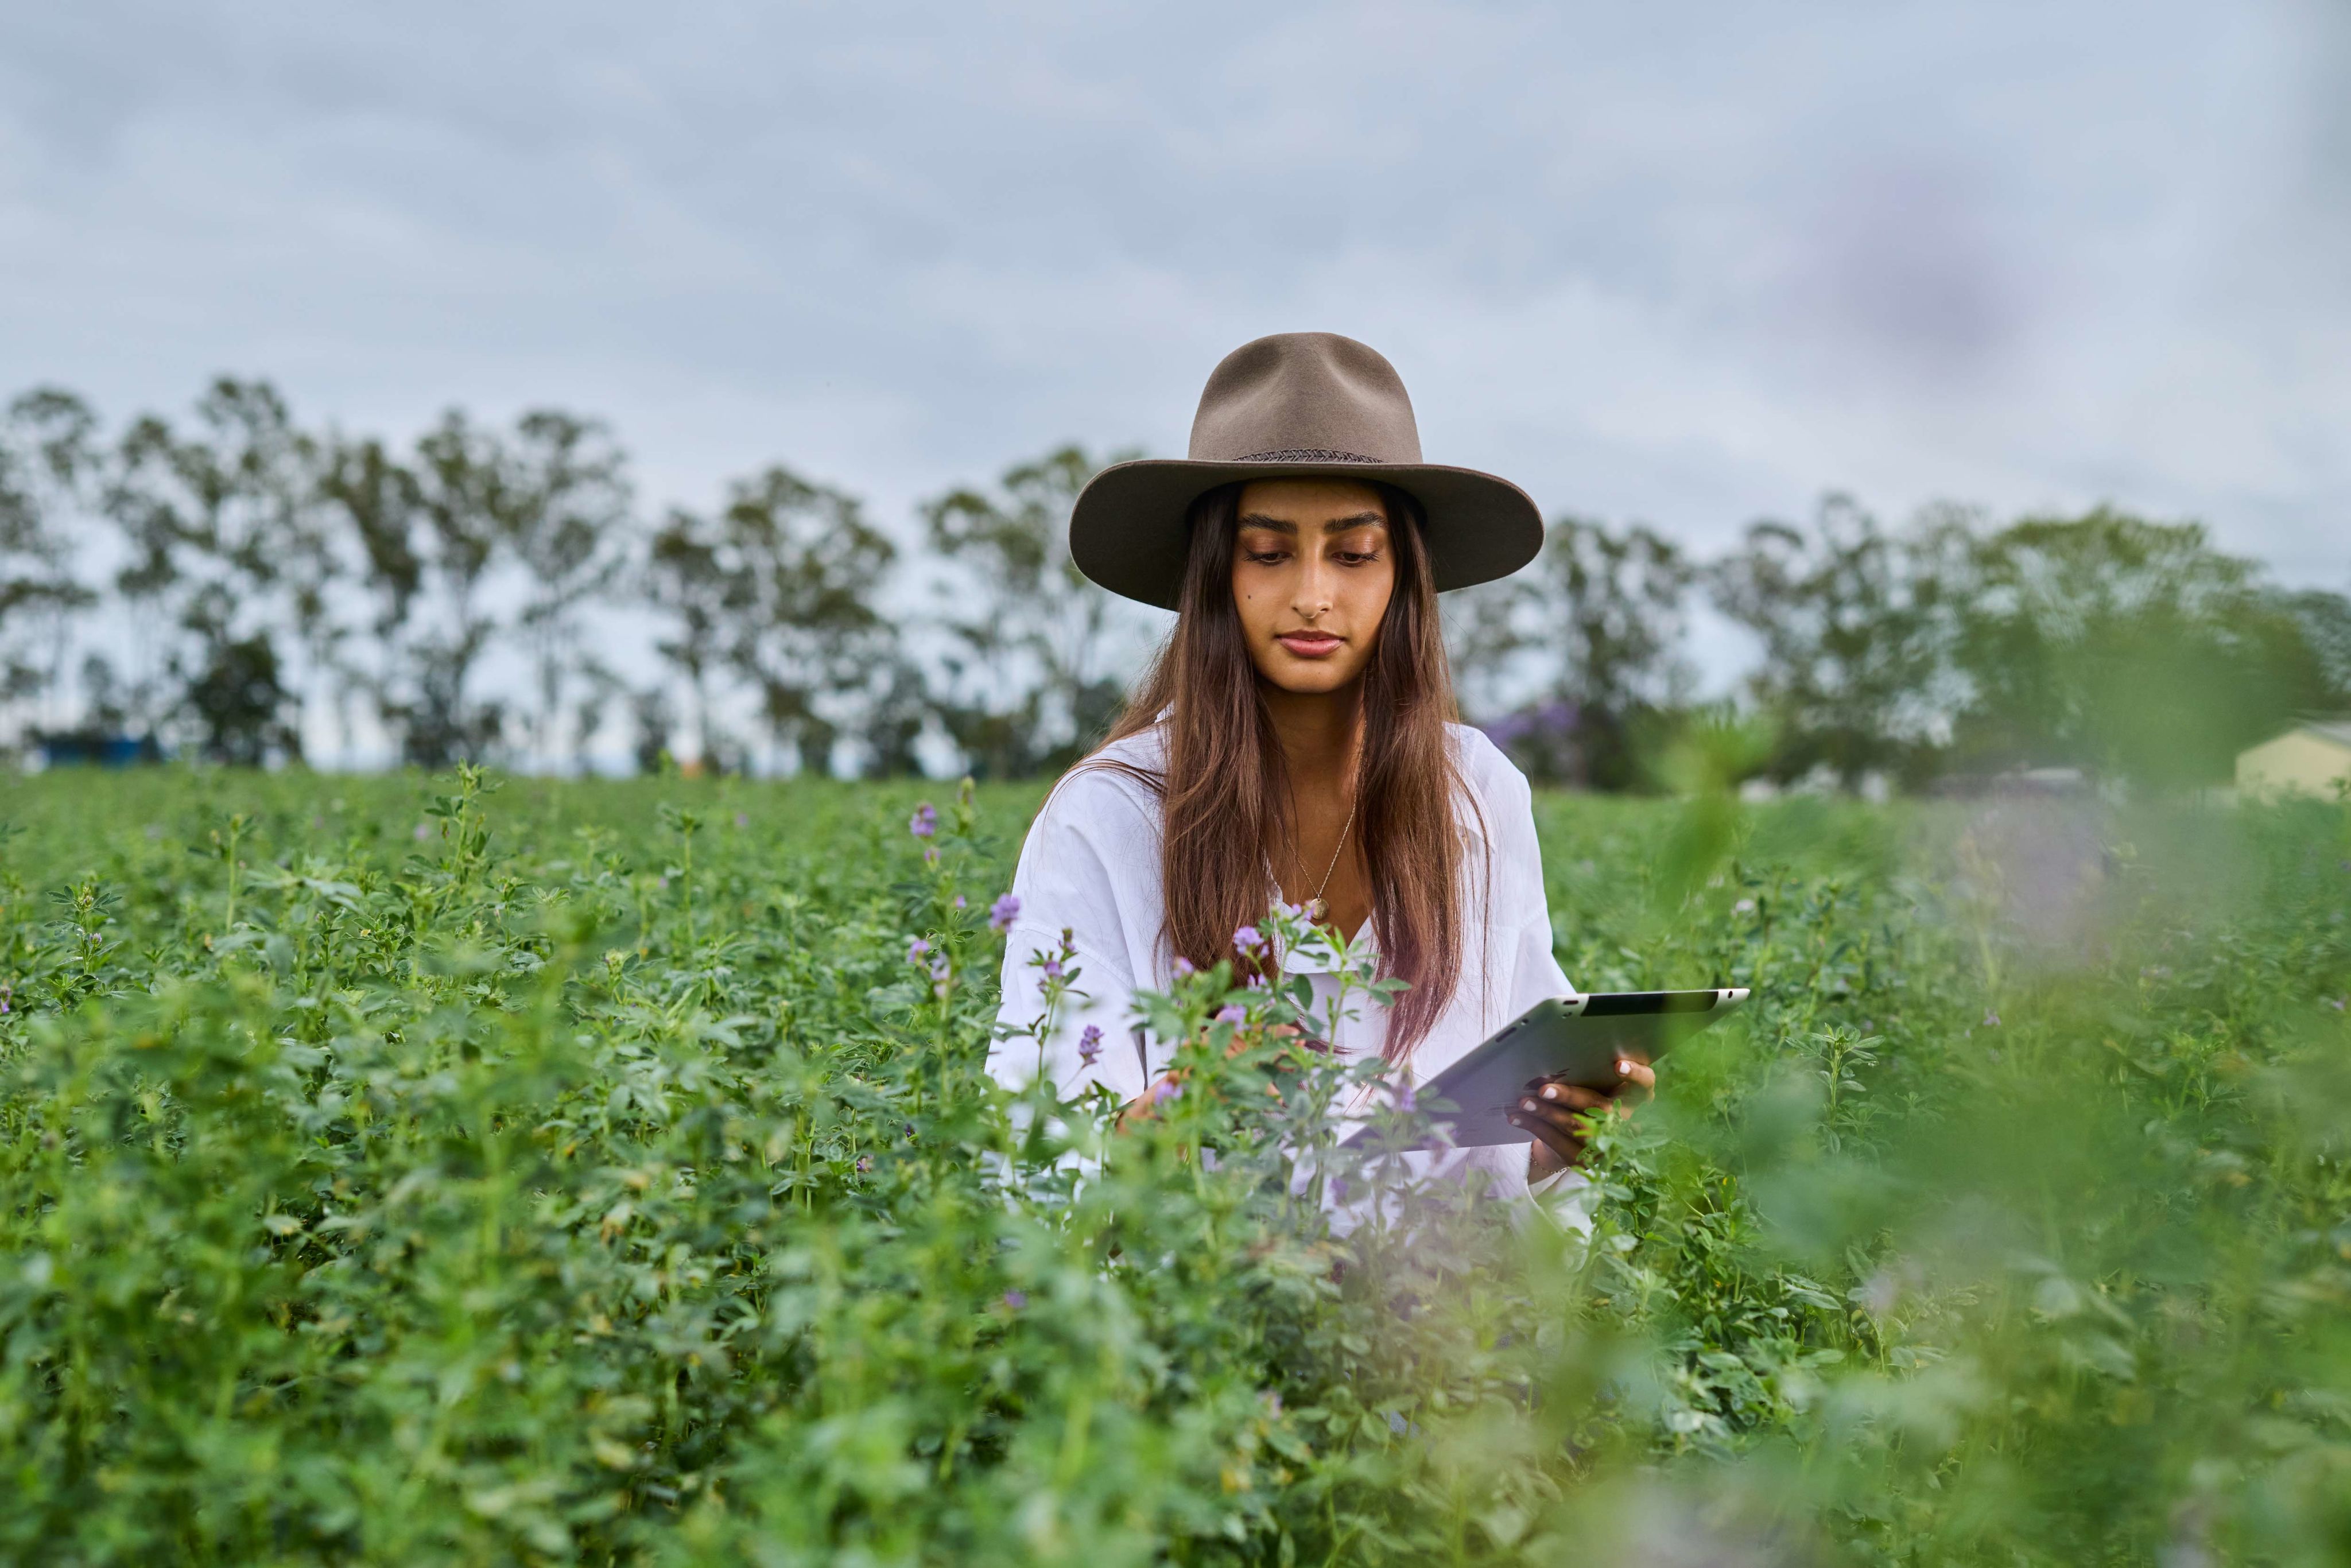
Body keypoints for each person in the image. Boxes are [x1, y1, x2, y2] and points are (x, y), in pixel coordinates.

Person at [987, 332, 1651, 1214]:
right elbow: (1035, 1154)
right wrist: (1158, 1132)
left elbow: (1495, 1135)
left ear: (1403, 575)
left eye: (1352, 553)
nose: (1311, 595)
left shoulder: (1477, 795)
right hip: (1203, 1320)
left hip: (1439, 1337)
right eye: (1267, 553)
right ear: (1215, 574)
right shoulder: (1108, 814)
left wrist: (1559, 1138)